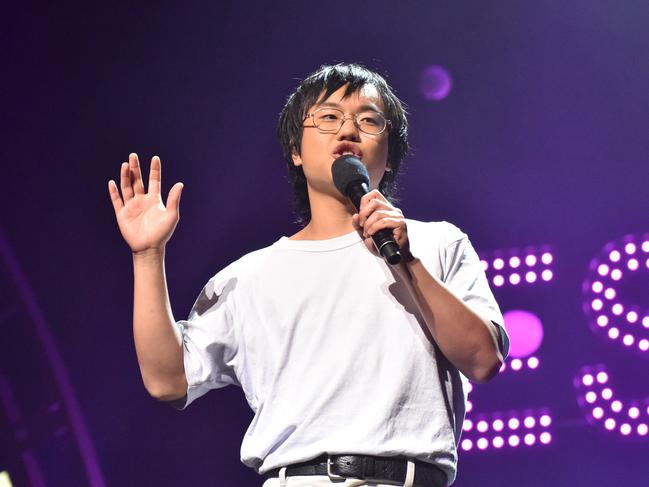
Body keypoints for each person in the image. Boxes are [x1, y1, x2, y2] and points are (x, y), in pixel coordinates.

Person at [108, 63, 509, 487]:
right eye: (328, 117)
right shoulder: (249, 277)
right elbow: (168, 380)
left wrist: (406, 261)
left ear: (389, 156)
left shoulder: (438, 245)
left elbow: (483, 359)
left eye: (368, 120)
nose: (348, 130)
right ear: (296, 151)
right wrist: (148, 255)